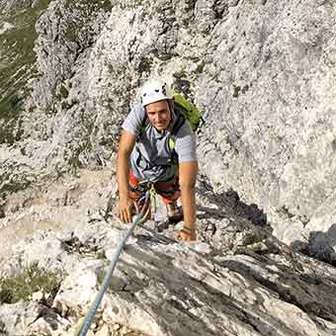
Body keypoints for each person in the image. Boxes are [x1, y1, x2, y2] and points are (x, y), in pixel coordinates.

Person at [116, 79, 198, 241]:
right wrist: (124, 198)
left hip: (167, 171)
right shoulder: (139, 114)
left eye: (162, 112)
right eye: (152, 113)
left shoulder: (183, 129)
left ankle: (171, 205)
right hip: (140, 168)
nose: (158, 118)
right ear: (146, 111)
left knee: (172, 192)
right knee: (141, 216)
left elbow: (187, 183)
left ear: (171, 106)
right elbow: (123, 153)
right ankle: (145, 206)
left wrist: (190, 228)